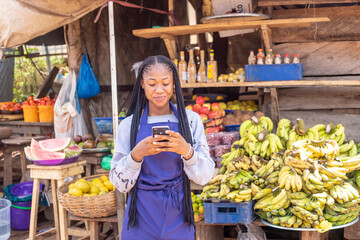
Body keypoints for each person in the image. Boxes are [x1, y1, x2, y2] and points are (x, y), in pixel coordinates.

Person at [110, 55, 215, 240]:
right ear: (142, 84)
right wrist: (135, 156)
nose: (159, 90)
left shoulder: (191, 121)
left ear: (174, 83)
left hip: (179, 214)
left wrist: (187, 152)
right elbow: (119, 184)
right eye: (152, 84)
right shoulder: (128, 126)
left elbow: (205, 177)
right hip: (140, 217)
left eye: (166, 83)